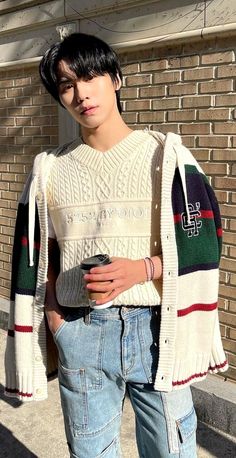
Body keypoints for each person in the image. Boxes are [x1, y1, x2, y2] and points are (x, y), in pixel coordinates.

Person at [5, 33, 228, 458]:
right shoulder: (49, 169)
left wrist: (142, 270)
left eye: (90, 76)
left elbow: (206, 241)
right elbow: (36, 258)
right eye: (66, 84)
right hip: (81, 331)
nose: (80, 93)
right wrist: (56, 320)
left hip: (159, 332)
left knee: (171, 452)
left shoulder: (166, 156)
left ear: (117, 79)